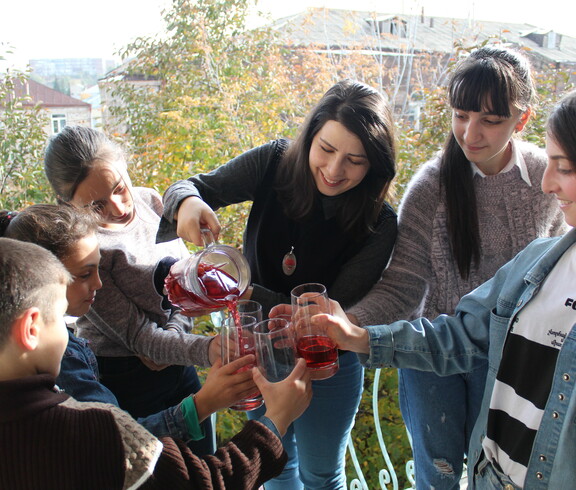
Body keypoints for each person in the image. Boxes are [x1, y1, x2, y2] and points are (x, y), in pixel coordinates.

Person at [308, 88, 576, 489]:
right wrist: (355, 331)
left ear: (520, 120)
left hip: (516, 400)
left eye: (566, 168)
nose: (548, 184)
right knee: (439, 474)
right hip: (443, 374)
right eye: (461, 115)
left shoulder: (537, 187)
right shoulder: (541, 258)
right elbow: (454, 324)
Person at [157, 79, 398, 489]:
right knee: (272, 465)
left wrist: (247, 291)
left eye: (355, 161)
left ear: (375, 165)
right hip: (259, 350)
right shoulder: (274, 161)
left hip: (326, 361)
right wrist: (187, 201)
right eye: (325, 150)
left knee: (323, 474)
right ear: (310, 136)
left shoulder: (380, 222)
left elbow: (323, 315)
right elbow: (189, 187)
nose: (335, 170)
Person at [0, 237, 313, 489]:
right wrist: (275, 420)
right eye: (61, 318)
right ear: (31, 329)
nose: (71, 330)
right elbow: (206, 481)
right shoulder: (91, 428)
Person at [0, 204, 257, 443]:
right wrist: (204, 403)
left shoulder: (65, 342)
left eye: (98, 269)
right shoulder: (60, 364)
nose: (99, 284)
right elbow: (121, 445)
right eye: (85, 274)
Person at [43, 125, 222, 454]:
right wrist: (212, 350)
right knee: (159, 469)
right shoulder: (86, 251)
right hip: (127, 377)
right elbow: (141, 338)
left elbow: (185, 285)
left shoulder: (151, 201)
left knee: (206, 461)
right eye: (96, 206)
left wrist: (175, 332)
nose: (117, 207)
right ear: (67, 204)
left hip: (179, 356)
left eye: (119, 188)